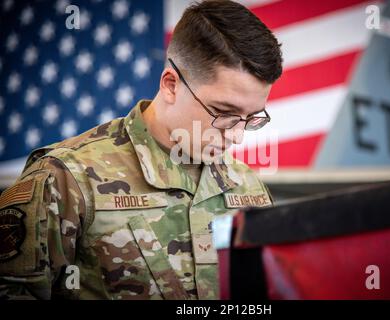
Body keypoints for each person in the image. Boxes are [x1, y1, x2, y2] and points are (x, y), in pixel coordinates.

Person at [0, 0, 282, 300]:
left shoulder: (247, 185)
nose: (237, 136)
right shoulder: (65, 179)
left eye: (252, 118)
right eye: (224, 113)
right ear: (171, 85)